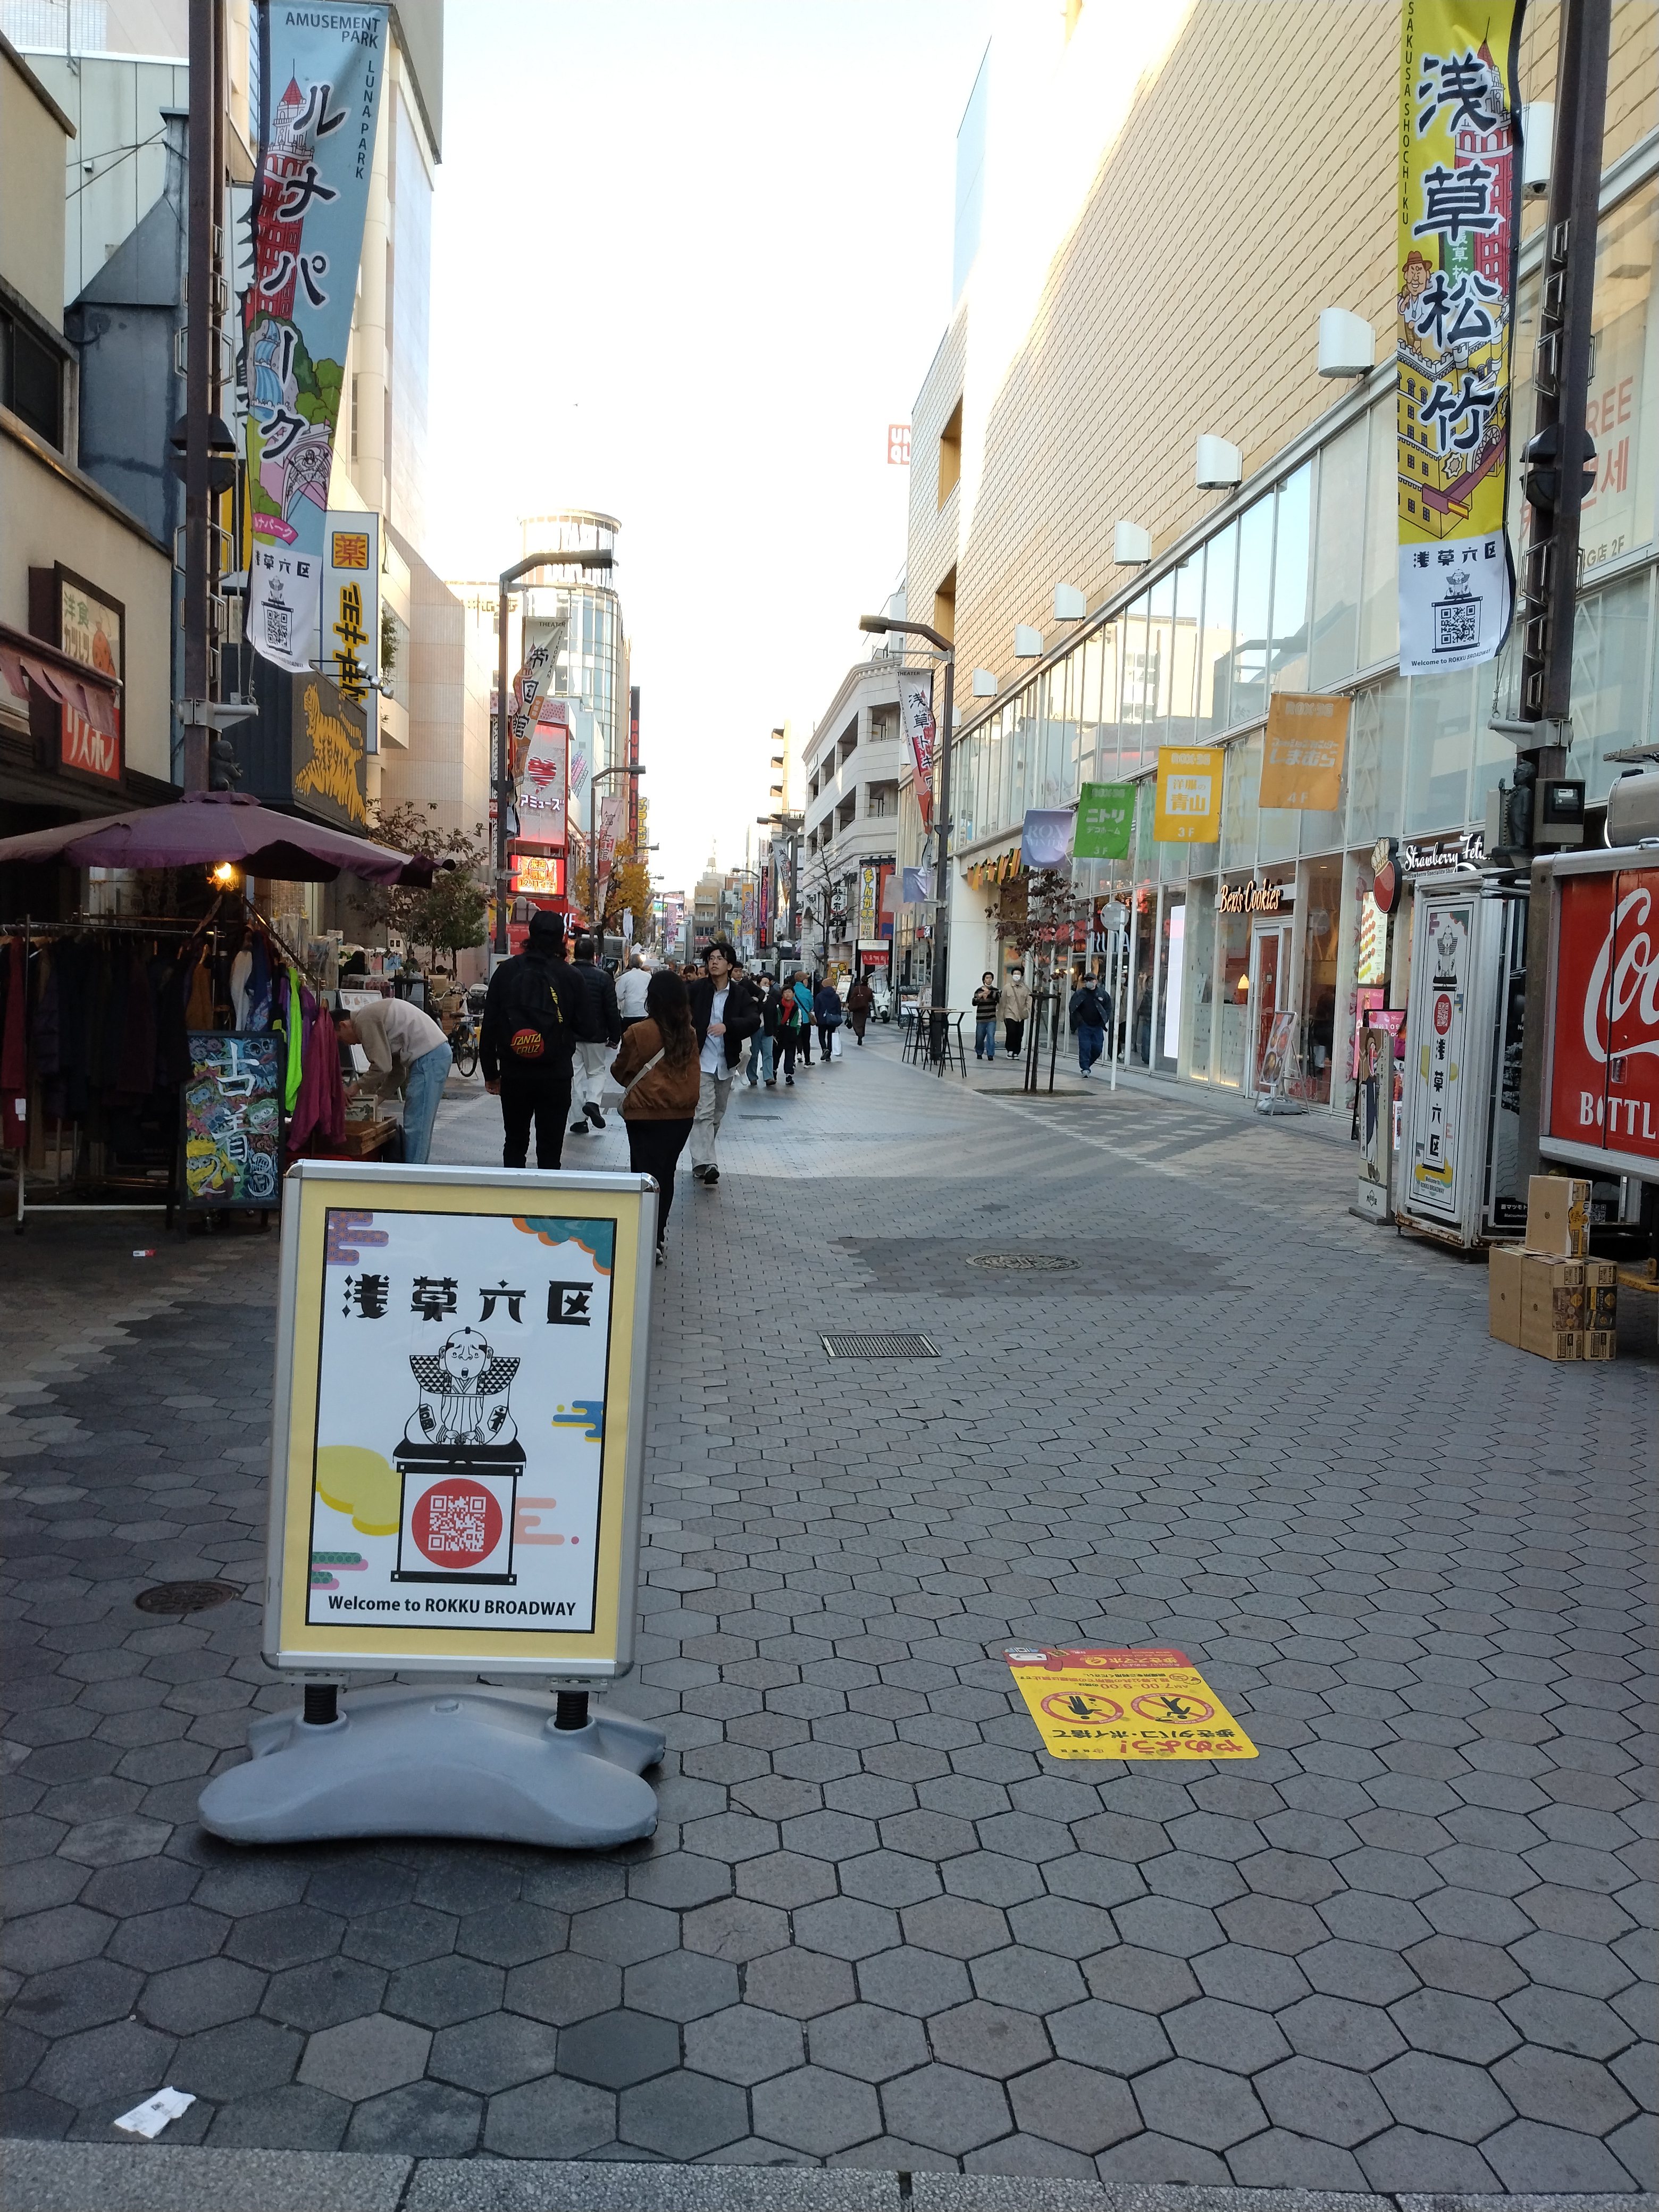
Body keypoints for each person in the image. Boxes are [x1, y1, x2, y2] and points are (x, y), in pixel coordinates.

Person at [611, 968, 701, 1263]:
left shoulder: (638, 1032)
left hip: (644, 1114)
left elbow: (620, 1070)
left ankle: (643, 1236)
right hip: (680, 1116)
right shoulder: (689, 1034)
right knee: (666, 1173)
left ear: (653, 998)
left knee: (644, 1174)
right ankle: (658, 1237)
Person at [479, 908, 579, 1166]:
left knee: (514, 1142)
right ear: (562, 939)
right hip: (556, 1075)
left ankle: (513, 1203)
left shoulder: (507, 971)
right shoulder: (570, 976)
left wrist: (491, 1072)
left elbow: (490, 1024)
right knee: (550, 1148)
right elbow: (588, 1027)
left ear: (530, 935)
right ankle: (545, 1204)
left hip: (515, 1073)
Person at [337, 994, 453, 1164]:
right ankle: (415, 1173)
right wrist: (374, 1101)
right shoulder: (374, 1017)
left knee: (417, 1126)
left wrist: (355, 1087)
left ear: (344, 1025)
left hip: (429, 1057)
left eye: (341, 1039)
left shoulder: (364, 1019)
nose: (346, 1045)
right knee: (419, 1124)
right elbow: (397, 1073)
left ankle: (412, 1179)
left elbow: (382, 1067)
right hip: (434, 1055)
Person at [686, 940, 759, 1188]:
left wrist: (729, 1027)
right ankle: (709, 1163)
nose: (714, 962)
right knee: (703, 1113)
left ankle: (700, 1163)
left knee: (717, 1114)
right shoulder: (697, 989)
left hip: (726, 1062)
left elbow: (753, 1021)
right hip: (701, 1061)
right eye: (711, 959)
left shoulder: (740, 994)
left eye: (719, 958)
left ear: (730, 965)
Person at [566, 934, 622, 1136]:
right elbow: (611, 1009)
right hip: (596, 1034)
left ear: (575, 954)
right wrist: (615, 1036)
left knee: (574, 1077)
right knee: (597, 1072)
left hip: (570, 1036)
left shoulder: (566, 974)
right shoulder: (603, 978)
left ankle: (579, 1121)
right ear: (594, 956)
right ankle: (593, 1103)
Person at [1069, 969, 1111, 1077]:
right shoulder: (1080, 994)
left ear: (1096, 981)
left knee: (1098, 1048)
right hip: (1085, 1026)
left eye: (1091, 980)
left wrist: (1105, 1019)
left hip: (1097, 1026)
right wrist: (1080, 1021)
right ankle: (1085, 1068)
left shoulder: (1103, 994)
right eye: (1087, 980)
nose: (1089, 982)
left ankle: (1087, 1064)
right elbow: (1073, 1007)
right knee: (1085, 1047)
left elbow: (1108, 1007)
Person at [747, 975, 778, 1086]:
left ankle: (769, 1077)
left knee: (768, 1054)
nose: (766, 986)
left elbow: (775, 1016)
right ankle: (752, 1077)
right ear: (758, 984)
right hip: (755, 1029)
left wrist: (775, 1032)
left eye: (768, 984)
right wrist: (760, 1000)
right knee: (754, 1054)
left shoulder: (772, 999)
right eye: (764, 983)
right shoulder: (754, 999)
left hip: (768, 1030)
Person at [776, 973, 806, 1085]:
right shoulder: (779, 1007)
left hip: (791, 1035)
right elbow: (776, 1020)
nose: (787, 994)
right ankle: (774, 1071)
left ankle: (789, 1075)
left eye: (790, 992)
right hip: (780, 1034)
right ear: (782, 995)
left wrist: (796, 1032)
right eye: (785, 992)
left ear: (794, 994)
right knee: (776, 1054)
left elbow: (799, 1022)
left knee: (790, 1055)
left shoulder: (797, 1009)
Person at [616, 951, 650, 1032]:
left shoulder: (625, 977)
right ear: (641, 964)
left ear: (630, 964)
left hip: (629, 1012)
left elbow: (620, 995)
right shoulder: (648, 977)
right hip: (644, 1012)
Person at [1001, 965, 1031, 1059]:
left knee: (1019, 1033)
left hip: (1021, 1014)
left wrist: (1032, 1012)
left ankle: (1016, 1052)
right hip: (1009, 1013)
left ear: (1022, 976)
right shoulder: (1007, 988)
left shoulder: (1026, 989)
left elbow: (1029, 1001)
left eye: (1018, 974)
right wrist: (1001, 1015)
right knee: (1012, 1031)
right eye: (1015, 974)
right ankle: (1010, 1050)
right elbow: (1003, 1001)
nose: (1017, 975)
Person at [813, 975, 843, 1063]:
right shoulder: (836, 996)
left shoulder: (820, 996)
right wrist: (838, 1017)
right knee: (830, 1036)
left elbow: (816, 1008)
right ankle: (828, 1055)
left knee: (821, 1036)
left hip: (822, 1019)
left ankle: (824, 1049)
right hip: (832, 1019)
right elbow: (838, 1009)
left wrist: (818, 1019)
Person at [971, 972, 1001, 1060]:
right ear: (984, 980)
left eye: (991, 978)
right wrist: (979, 997)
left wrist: (989, 992)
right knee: (980, 1037)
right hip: (981, 1018)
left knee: (991, 1036)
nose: (989, 979)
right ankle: (979, 1053)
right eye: (987, 978)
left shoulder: (995, 990)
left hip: (991, 1017)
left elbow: (998, 998)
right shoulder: (979, 990)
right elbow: (974, 1002)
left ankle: (990, 1054)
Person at [846, 973, 874, 1044]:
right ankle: (861, 1035)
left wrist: (850, 1005)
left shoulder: (857, 988)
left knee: (855, 1023)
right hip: (864, 1009)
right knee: (862, 1023)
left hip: (856, 1009)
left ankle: (859, 1033)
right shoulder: (869, 990)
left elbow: (852, 997)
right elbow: (870, 1000)